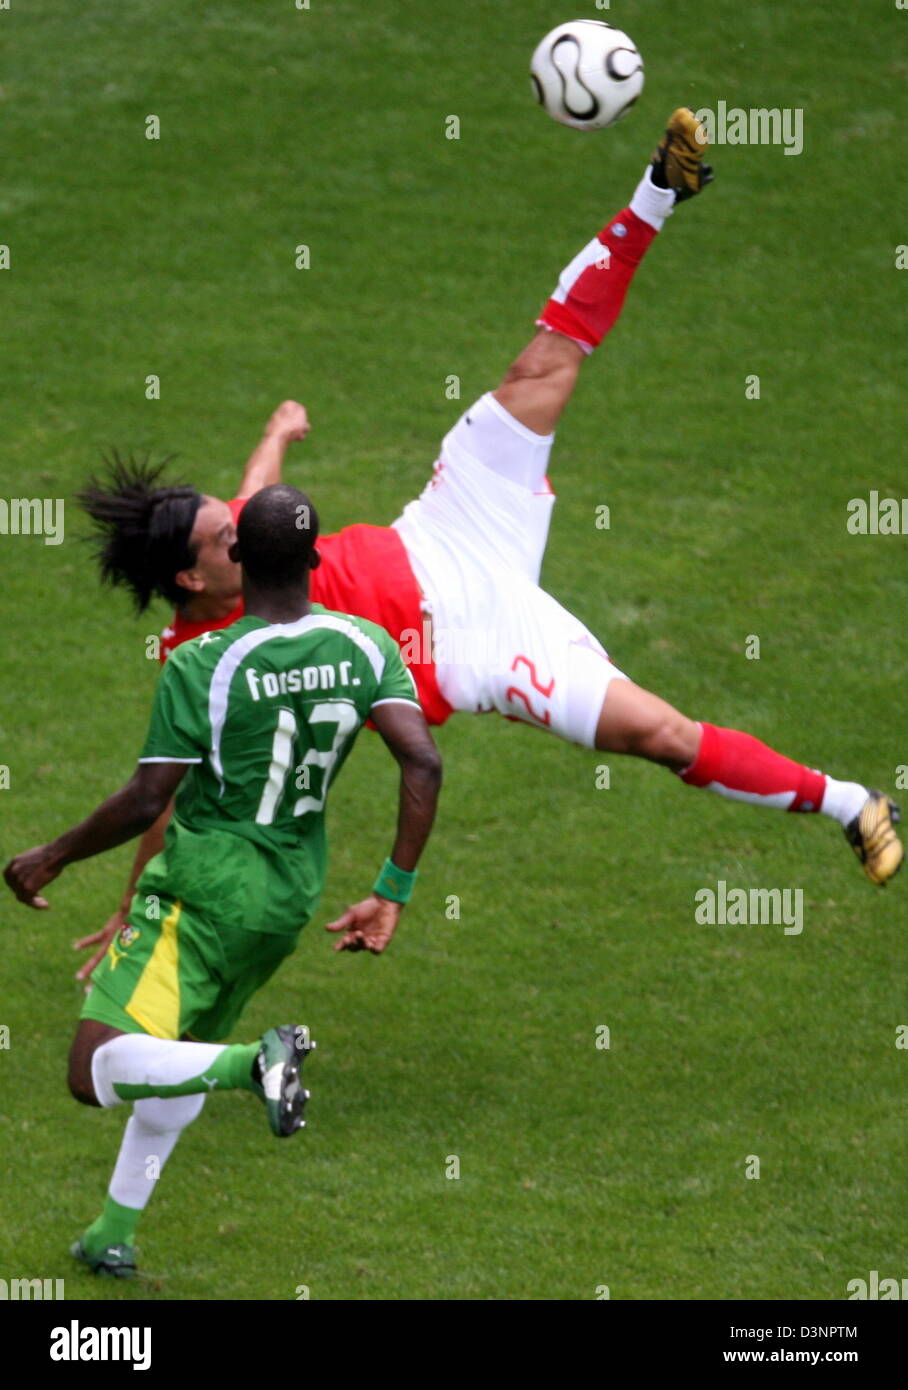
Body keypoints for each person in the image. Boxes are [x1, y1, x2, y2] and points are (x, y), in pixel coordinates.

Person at [74, 106, 901, 989]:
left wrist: (280, 429)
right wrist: (135, 904)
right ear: (193, 577)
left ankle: (659, 189)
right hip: (472, 651)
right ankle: (854, 804)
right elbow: (160, 802)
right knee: (662, 735)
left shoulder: (238, 537)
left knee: (543, 365)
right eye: (226, 533)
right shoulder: (206, 665)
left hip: (449, 522)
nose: (250, 520)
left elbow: (249, 487)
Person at [4, 484, 443, 1277]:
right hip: (287, 899)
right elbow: (424, 759)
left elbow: (147, 799)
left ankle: (256, 1065)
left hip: (204, 888)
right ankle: (112, 1231)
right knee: (173, 1053)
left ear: (238, 556)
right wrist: (392, 890)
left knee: (92, 1069)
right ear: (315, 560)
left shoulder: (205, 664)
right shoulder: (369, 645)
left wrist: (52, 855)